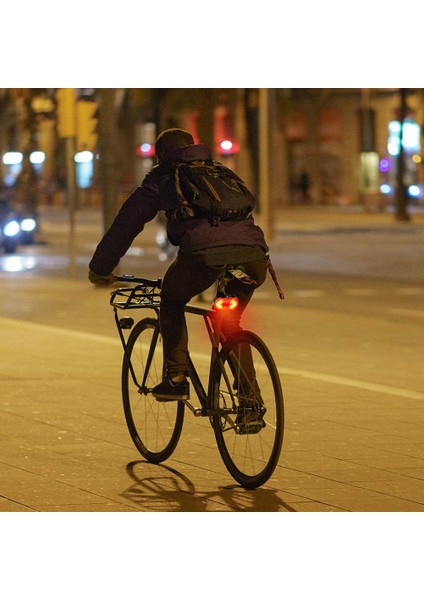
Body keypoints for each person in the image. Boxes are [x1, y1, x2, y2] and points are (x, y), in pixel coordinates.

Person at [88, 128, 270, 402]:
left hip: (204, 255)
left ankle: (175, 378)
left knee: (171, 298)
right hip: (254, 257)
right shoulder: (218, 170)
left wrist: (100, 268)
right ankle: (250, 401)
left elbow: (126, 224)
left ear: (160, 156)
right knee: (230, 321)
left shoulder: (163, 177)